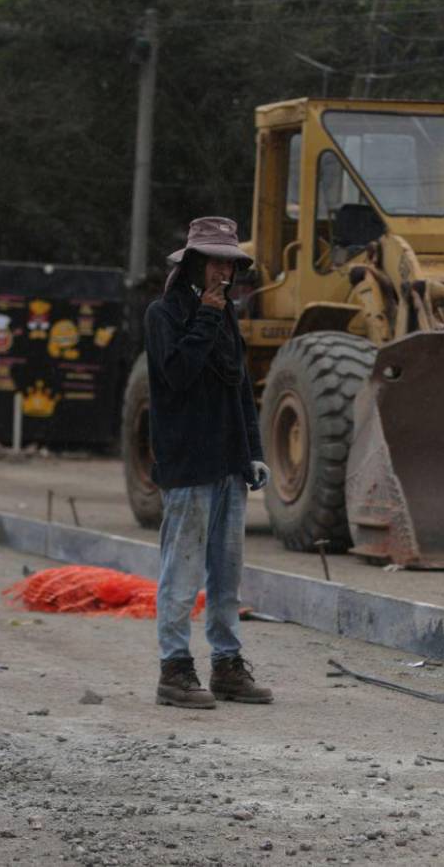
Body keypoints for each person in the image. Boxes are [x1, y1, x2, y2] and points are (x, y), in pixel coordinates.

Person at [146, 216, 273, 709]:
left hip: (227, 465)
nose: (225, 272)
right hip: (187, 466)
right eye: (217, 261)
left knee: (226, 576)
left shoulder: (227, 317)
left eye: (230, 263)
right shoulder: (163, 315)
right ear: (195, 263)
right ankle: (174, 670)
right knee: (181, 574)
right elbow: (177, 374)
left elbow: (240, 388)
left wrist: (254, 452)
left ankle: (227, 666)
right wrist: (204, 316)